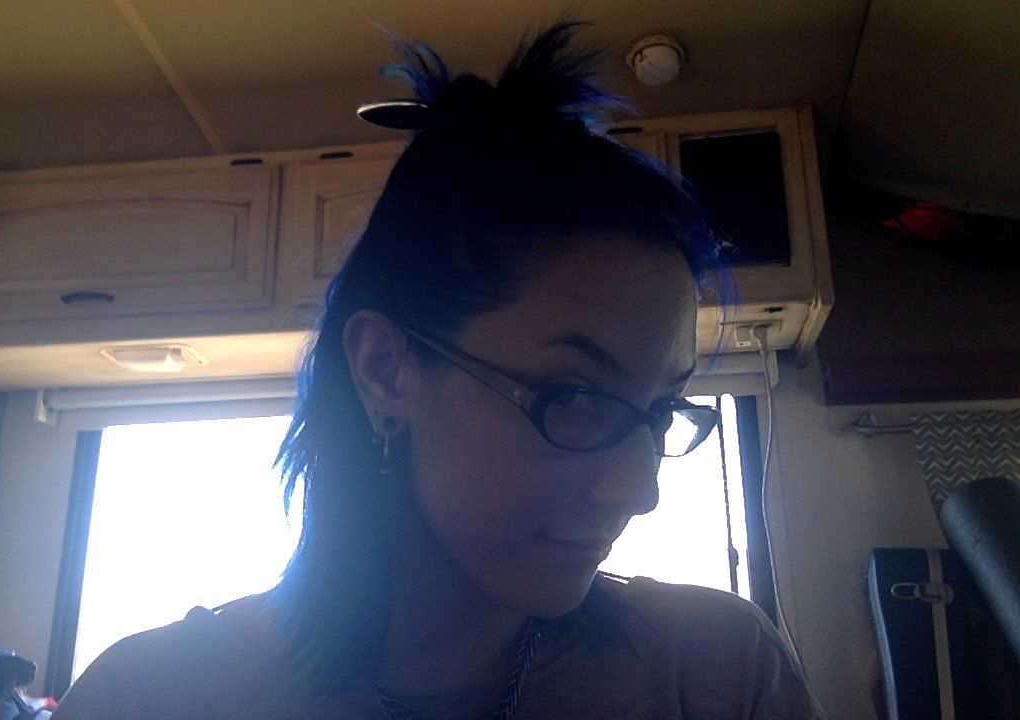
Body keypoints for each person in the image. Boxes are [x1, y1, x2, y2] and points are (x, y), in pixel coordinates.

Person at [53, 22, 824, 720]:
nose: (638, 490)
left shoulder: (716, 674)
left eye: (658, 412)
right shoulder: (148, 698)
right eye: (574, 396)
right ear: (386, 370)